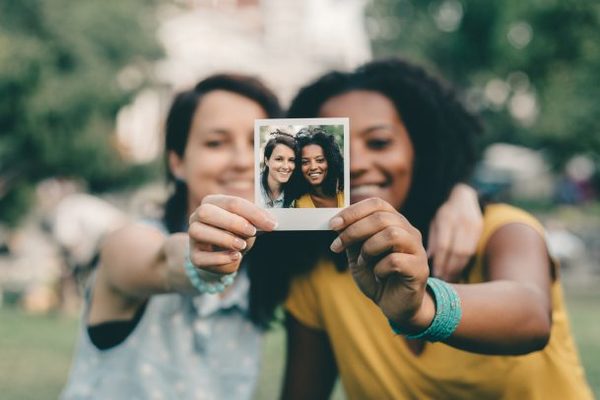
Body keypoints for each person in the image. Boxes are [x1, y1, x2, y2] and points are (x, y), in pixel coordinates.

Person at [61, 70, 483, 399]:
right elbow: (161, 261)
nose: (244, 160)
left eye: (260, 144)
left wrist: (460, 192)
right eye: (215, 142)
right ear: (176, 161)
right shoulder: (132, 242)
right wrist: (199, 260)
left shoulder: (277, 265)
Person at [278, 59, 593, 399]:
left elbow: (530, 315)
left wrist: (422, 308)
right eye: (334, 150)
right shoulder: (316, 275)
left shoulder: (500, 230)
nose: (357, 163)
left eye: (379, 143)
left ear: (421, 149)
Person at [293, 127, 345, 208]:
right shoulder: (296, 203)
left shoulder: (346, 193)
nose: (313, 167)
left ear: (331, 162)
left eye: (320, 160)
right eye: (305, 162)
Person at [260, 130, 297, 208]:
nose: (286, 166)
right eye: (279, 159)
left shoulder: (297, 193)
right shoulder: (254, 187)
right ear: (267, 161)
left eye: (291, 160)